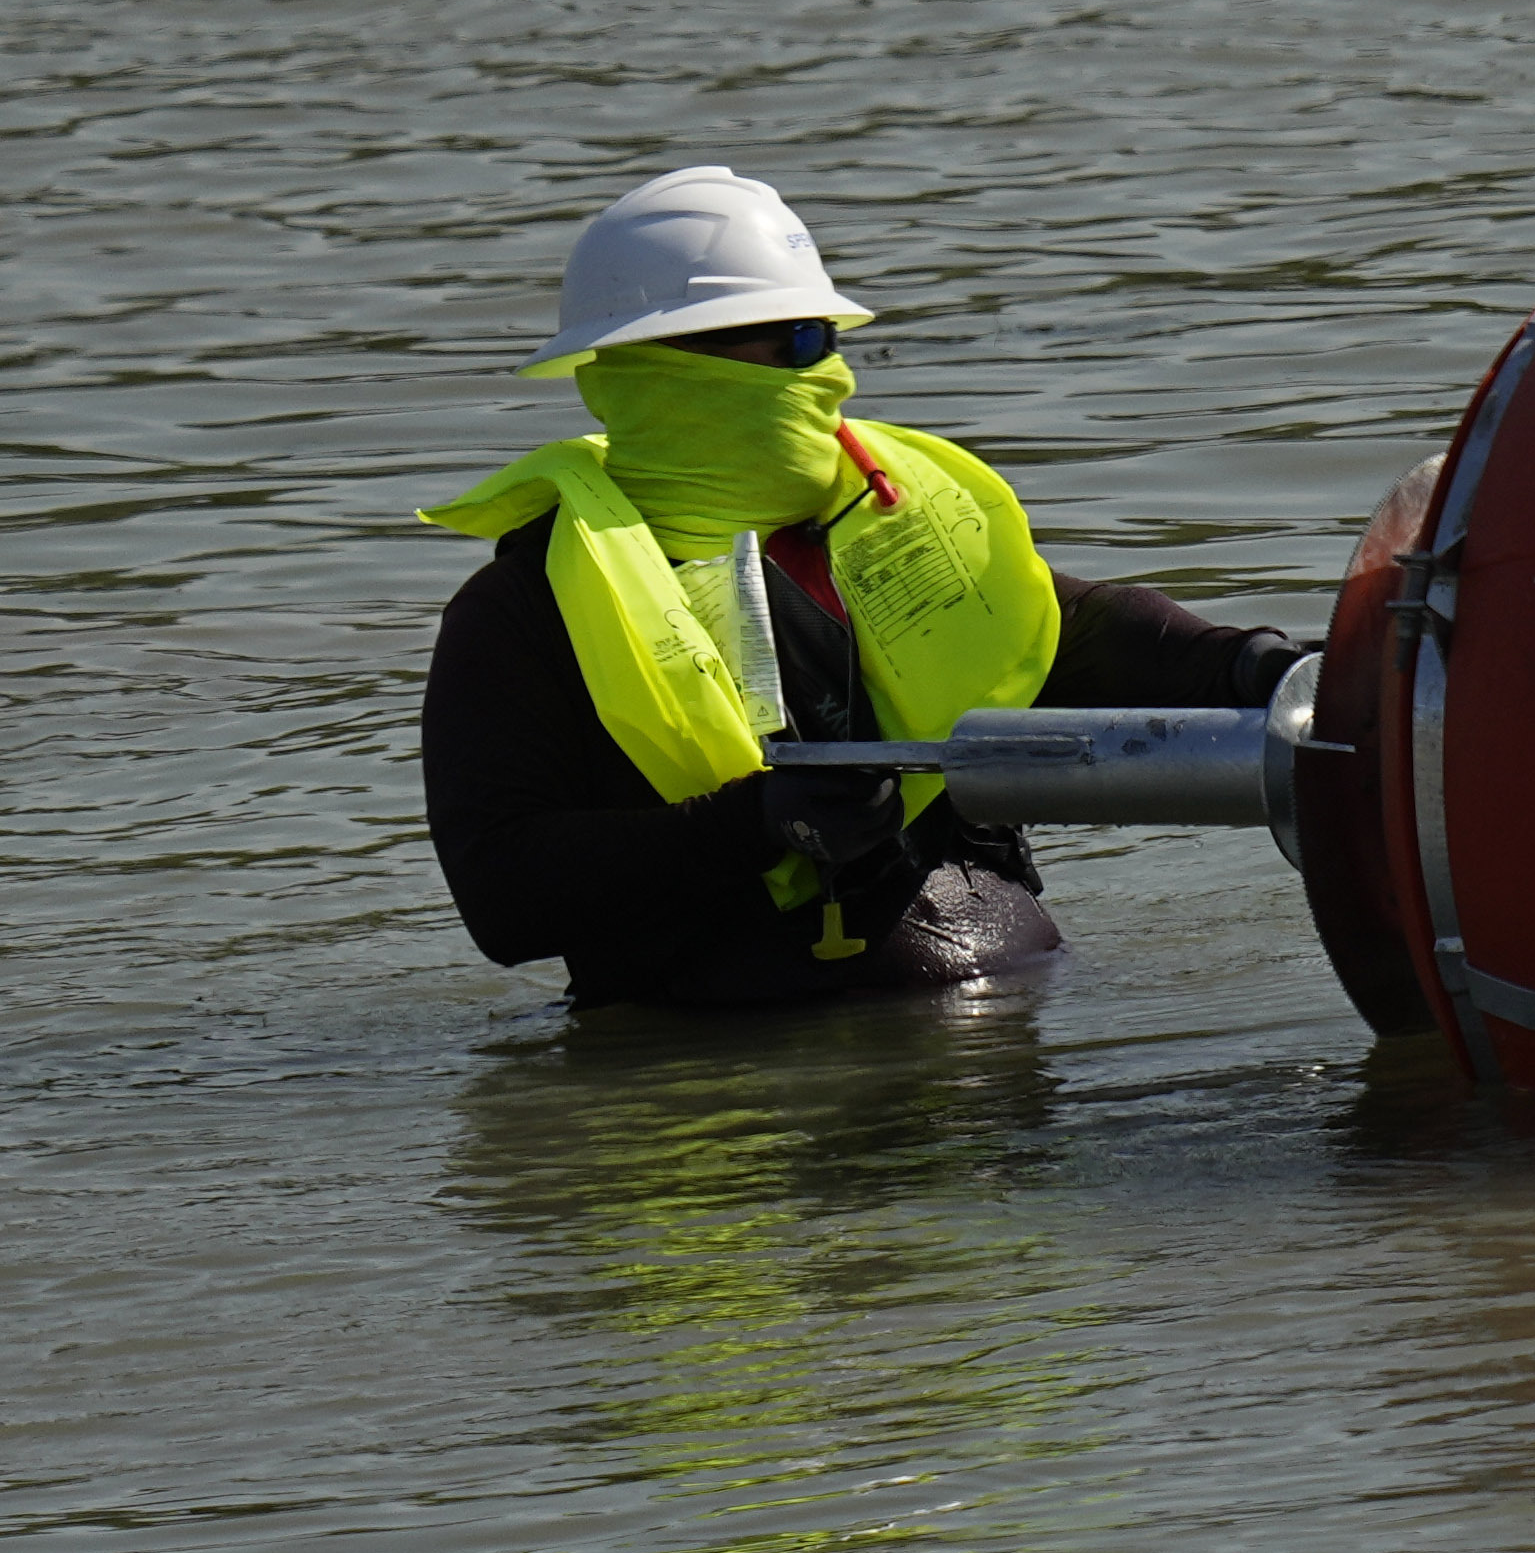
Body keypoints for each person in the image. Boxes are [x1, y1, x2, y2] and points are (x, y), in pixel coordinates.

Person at [417, 165, 1305, 1009]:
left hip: (1010, 1042)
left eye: (831, 339)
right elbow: (502, 895)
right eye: (801, 341)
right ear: (672, 362)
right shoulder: (524, 612)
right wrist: (757, 823)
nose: (831, 373)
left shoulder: (885, 532)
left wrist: (1267, 669)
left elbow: (1084, 632)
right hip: (742, 1079)